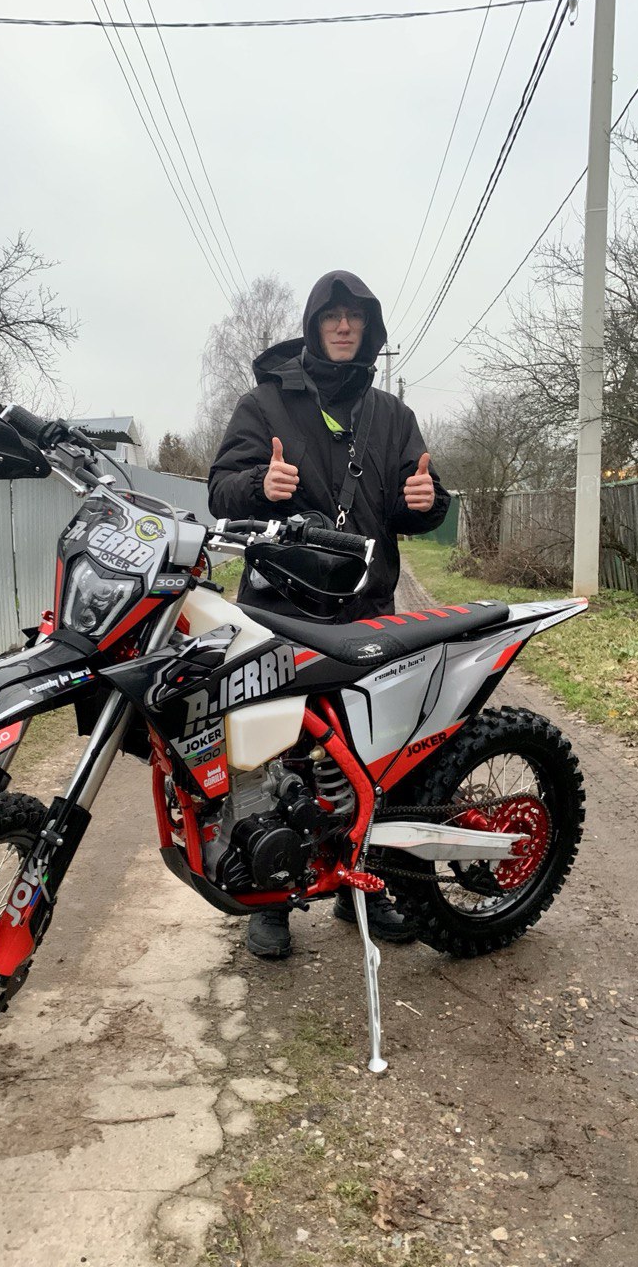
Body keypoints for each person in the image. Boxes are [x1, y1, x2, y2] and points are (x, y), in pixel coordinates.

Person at [208, 269, 450, 959]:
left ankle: (357, 888)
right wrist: (261, 484)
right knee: (269, 754)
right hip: (276, 611)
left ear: (369, 330)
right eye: (332, 315)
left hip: (364, 611)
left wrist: (427, 501)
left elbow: (417, 500)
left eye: (356, 317)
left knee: (366, 755)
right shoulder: (264, 404)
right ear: (314, 325)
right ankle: (271, 899)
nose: (344, 326)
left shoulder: (392, 415)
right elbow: (220, 491)